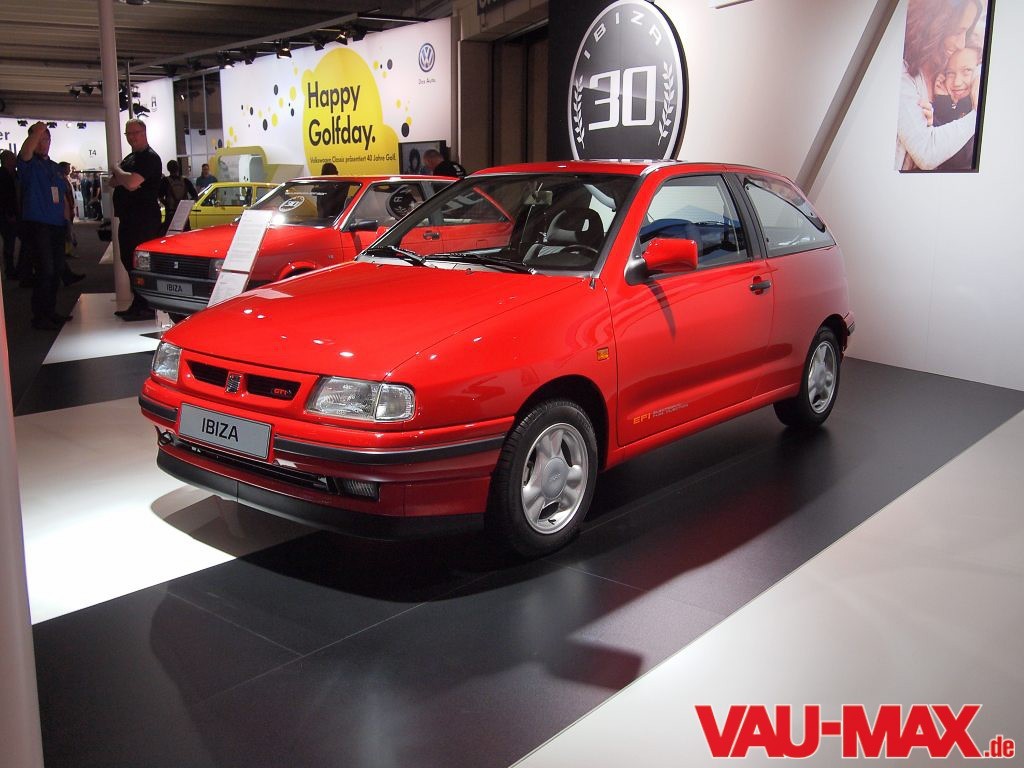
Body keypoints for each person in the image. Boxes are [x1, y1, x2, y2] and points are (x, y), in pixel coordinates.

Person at [896, 0, 982, 171]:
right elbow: (926, 152)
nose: (961, 43)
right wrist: (979, 114)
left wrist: (979, 79)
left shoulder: (945, 62)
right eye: (957, 31)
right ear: (934, 24)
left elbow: (975, 61)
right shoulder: (902, 73)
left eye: (966, 31)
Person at [17, 122, 71, 329]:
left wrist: (67, 223)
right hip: (38, 224)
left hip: (57, 225)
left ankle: (50, 311)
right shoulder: (28, 164)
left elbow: (62, 197)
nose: (43, 143)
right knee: (45, 269)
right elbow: (26, 153)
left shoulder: (54, 167)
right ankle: (40, 316)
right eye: (39, 139)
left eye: (46, 139)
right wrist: (38, 130)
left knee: (56, 269)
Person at [111, 118, 162, 321]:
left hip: (143, 220)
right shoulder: (131, 158)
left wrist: (118, 170)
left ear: (144, 133)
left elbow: (130, 182)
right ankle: (139, 303)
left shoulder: (150, 158)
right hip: (129, 218)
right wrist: (122, 176)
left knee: (139, 263)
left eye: (135, 133)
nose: (131, 137)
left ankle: (145, 306)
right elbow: (112, 182)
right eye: (128, 134)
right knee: (128, 260)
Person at [932, 45, 981, 170]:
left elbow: (959, 157)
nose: (957, 82)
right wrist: (943, 103)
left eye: (967, 71)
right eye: (950, 73)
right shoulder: (956, 105)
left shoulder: (975, 104)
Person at [57, 161, 86, 286]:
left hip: (66, 211)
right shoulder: (60, 181)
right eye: (67, 167)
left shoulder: (64, 180)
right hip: (62, 214)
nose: (69, 169)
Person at [158, 159, 198, 234]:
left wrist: (167, 204)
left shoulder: (165, 181)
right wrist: (186, 205)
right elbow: (195, 196)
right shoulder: (185, 181)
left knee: (170, 236)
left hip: (170, 214)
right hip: (183, 214)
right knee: (185, 235)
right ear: (178, 168)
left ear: (168, 169)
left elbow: (160, 197)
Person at [0, 149, 19, 280]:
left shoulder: (13, 175)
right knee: (9, 243)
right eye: (13, 158)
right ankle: (10, 270)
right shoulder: (4, 176)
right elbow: (5, 197)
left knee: (10, 243)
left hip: (11, 213)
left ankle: (12, 269)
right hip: (7, 215)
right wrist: (9, 213)